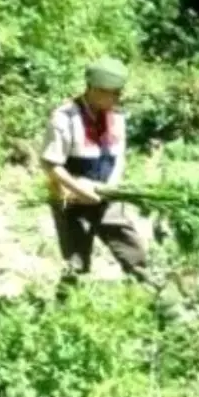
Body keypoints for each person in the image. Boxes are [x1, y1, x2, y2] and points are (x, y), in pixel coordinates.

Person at [39, 56, 156, 298]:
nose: (116, 98)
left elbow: (119, 156)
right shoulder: (64, 118)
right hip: (70, 200)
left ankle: (154, 294)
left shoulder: (117, 117)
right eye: (112, 93)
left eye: (118, 93)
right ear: (94, 89)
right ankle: (64, 305)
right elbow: (51, 164)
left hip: (105, 195)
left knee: (131, 248)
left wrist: (109, 188)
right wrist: (82, 191)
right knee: (76, 261)